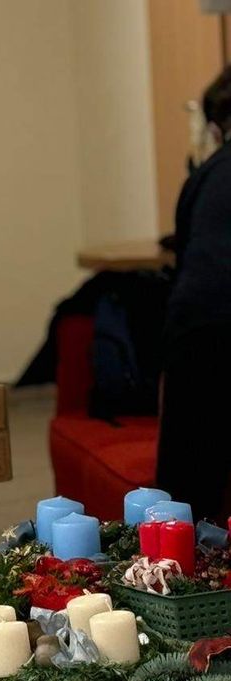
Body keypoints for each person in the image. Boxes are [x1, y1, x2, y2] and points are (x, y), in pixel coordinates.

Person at [156, 64, 231, 523]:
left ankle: (173, 575)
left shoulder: (207, 174)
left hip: (196, 334)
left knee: (184, 491)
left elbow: (187, 252)